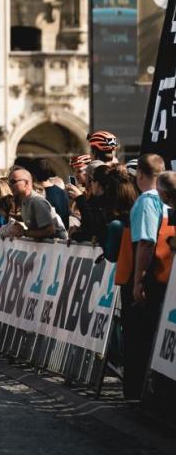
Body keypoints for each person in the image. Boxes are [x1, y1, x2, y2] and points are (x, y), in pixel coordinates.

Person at [117, 153, 168, 399]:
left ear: (140, 175)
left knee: (138, 338)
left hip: (149, 277)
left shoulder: (147, 201)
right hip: (166, 275)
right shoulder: (170, 198)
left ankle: (136, 392)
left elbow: (145, 243)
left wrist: (138, 280)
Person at [8, 167, 67, 240]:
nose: (10, 185)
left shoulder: (37, 201)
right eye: (9, 182)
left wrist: (24, 232)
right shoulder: (25, 201)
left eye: (13, 182)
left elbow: (49, 231)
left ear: (26, 183)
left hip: (56, 248)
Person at [32, 158, 70, 230]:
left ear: (33, 176)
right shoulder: (62, 192)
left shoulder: (38, 195)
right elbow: (67, 219)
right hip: (62, 236)